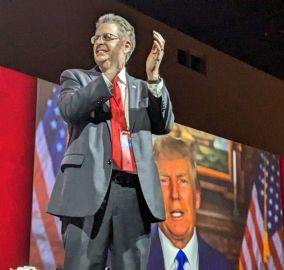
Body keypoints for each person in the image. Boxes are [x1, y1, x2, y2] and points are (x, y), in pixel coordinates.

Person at [47, 13, 174, 270]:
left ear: (126, 45)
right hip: (88, 190)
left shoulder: (142, 88)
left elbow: (164, 124)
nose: (99, 42)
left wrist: (153, 77)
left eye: (108, 37)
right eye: (96, 38)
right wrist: (110, 74)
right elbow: (71, 109)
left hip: (134, 195)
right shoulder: (76, 78)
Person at [147, 136, 233, 270]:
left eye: (183, 181)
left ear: (197, 199)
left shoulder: (223, 266)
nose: (175, 194)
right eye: (164, 181)